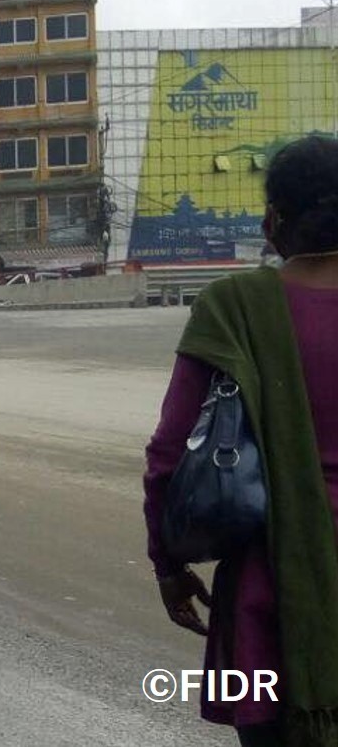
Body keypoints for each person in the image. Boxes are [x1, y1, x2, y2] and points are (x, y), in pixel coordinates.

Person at [143, 135, 338, 746]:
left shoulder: (233, 307)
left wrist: (169, 567)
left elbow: (169, 459)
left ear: (272, 220)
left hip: (268, 605)